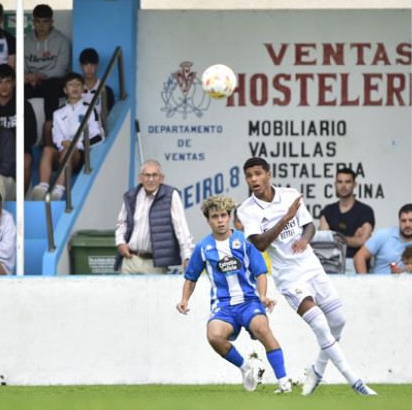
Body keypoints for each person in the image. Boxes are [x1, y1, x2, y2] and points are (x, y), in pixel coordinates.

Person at [237, 157, 376, 396]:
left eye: (258, 174)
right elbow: (260, 243)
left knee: (338, 321)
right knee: (320, 325)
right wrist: (285, 219)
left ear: (268, 174)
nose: (253, 179)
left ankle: (316, 371)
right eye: (249, 176)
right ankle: (356, 382)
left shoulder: (290, 195)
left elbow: (309, 225)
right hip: (289, 277)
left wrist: (305, 239)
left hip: (312, 267)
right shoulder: (246, 210)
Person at [177, 194, 292, 394]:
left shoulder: (246, 241)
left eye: (223, 215)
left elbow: (260, 272)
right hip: (223, 307)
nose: (220, 220)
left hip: (249, 302)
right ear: (208, 220)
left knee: (263, 330)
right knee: (214, 336)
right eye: (215, 217)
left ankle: (283, 382)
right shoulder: (203, 247)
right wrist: (184, 299)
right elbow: (191, 277)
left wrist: (263, 296)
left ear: (229, 217)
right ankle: (245, 368)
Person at [114, 159, 195, 275]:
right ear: (140, 178)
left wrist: (188, 256)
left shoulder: (171, 195)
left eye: (154, 175)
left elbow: (181, 228)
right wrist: (120, 242)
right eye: (147, 175)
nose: (151, 179)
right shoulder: (131, 196)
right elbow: (122, 223)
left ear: (162, 178)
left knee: (153, 294)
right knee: (125, 293)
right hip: (130, 260)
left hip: (154, 264)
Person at [31, 73, 101, 201]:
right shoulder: (58, 113)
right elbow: (57, 137)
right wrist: (63, 143)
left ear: (83, 89)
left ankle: (58, 191)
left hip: (79, 155)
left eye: (78, 84)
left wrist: (76, 144)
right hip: (62, 153)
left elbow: (98, 136)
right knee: (47, 149)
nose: (74, 87)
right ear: (65, 90)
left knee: (67, 151)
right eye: (71, 84)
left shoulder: (90, 110)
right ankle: (42, 188)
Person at [318, 167, 375, 272]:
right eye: (340, 182)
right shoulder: (327, 211)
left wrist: (337, 238)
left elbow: (363, 241)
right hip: (330, 263)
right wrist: (352, 239)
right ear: (335, 184)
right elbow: (324, 241)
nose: (343, 186)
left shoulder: (365, 211)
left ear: (354, 184)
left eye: (347, 182)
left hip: (356, 264)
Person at [354, 203, 412, 274]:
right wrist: (364, 283)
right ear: (399, 221)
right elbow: (359, 257)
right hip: (379, 287)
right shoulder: (383, 235)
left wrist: (404, 275)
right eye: (403, 221)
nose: (407, 224)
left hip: (409, 289)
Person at [0, 64, 36, 193]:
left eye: (8, 81)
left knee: (26, 160)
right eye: (0, 82)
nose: (4, 86)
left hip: (20, 150)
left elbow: (31, 136)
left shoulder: (24, 105)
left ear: (14, 82)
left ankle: (19, 201)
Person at [25, 4, 70, 123]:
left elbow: (61, 70)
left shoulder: (62, 41)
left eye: (45, 21)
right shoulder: (25, 41)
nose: (41, 25)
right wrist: (27, 76)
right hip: (32, 81)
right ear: (33, 22)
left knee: (51, 86)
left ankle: (50, 126)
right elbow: (22, 67)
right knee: (15, 87)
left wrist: (41, 75)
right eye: (38, 21)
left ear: (52, 22)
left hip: (52, 82)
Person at [79, 47, 115, 129]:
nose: (89, 68)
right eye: (85, 64)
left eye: (92, 64)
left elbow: (106, 116)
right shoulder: (75, 90)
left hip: (98, 131)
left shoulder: (107, 91)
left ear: (97, 66)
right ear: (81, 66)